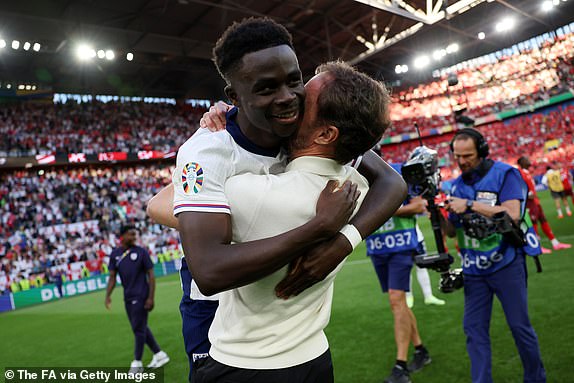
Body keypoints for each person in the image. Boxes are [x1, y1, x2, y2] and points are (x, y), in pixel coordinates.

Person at [146, 17, 406, 380]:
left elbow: (393, 183)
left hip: (273, 338)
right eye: (267, 88)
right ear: (234, 98)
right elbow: (171, 221)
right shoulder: (210, 150)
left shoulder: (300, 129)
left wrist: (342, 243)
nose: (288, 98)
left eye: (295, 81)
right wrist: (321, 229)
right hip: (211, 316)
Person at [193, 60, 391, 383]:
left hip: (245, 365)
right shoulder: (358, 186)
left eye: (303, 101)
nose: (289, 101)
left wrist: (218, 130)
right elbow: (392, 181)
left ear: (327, 133)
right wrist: (347, 240)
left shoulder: (252, 194)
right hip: (313, 356)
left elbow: (159, 205)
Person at [442, 128, 545, 383]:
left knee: (520, 327)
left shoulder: (505, 174)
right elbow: (452, 233)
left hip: (507, 264)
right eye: (458, 156)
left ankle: (536, 379)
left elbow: (512, 214)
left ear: (483, 151)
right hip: (474, 271)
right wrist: (438, 214)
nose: (463, 161)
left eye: (468, 155)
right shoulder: (455, 185)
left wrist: (469, 204)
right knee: (474, 331)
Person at [366, 171, 432, 383]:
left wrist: (384, 209)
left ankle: (401, 365)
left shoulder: (398, 173)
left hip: (401, 246)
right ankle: (421, 350)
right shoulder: (352, 178)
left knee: (396, 300)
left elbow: (419, 206)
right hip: (377, 248)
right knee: (399, 303)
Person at [104, 224, 170, 372]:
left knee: (138, 330)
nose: (134, 237)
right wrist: (108, 296)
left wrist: (151, 298)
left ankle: (137, 363)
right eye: (131, 234)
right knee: (139, 328)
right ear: (122, 236)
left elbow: (151, 276)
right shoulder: (115, 254)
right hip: (127, 298)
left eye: (135, 235)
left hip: (141, 296)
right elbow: (112, 278)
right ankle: (159, 354)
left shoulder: (141, 252)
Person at [517, 156, 571, 253]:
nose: (529, 160)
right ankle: (537, 246)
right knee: (534, 224)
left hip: (535, 201)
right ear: (522, 162)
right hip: (530, 203)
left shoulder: (527, 173)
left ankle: (555, 243)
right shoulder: (521, 173)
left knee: (543, 220)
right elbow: (519, 187)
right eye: (526, 159)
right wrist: (528, 195)